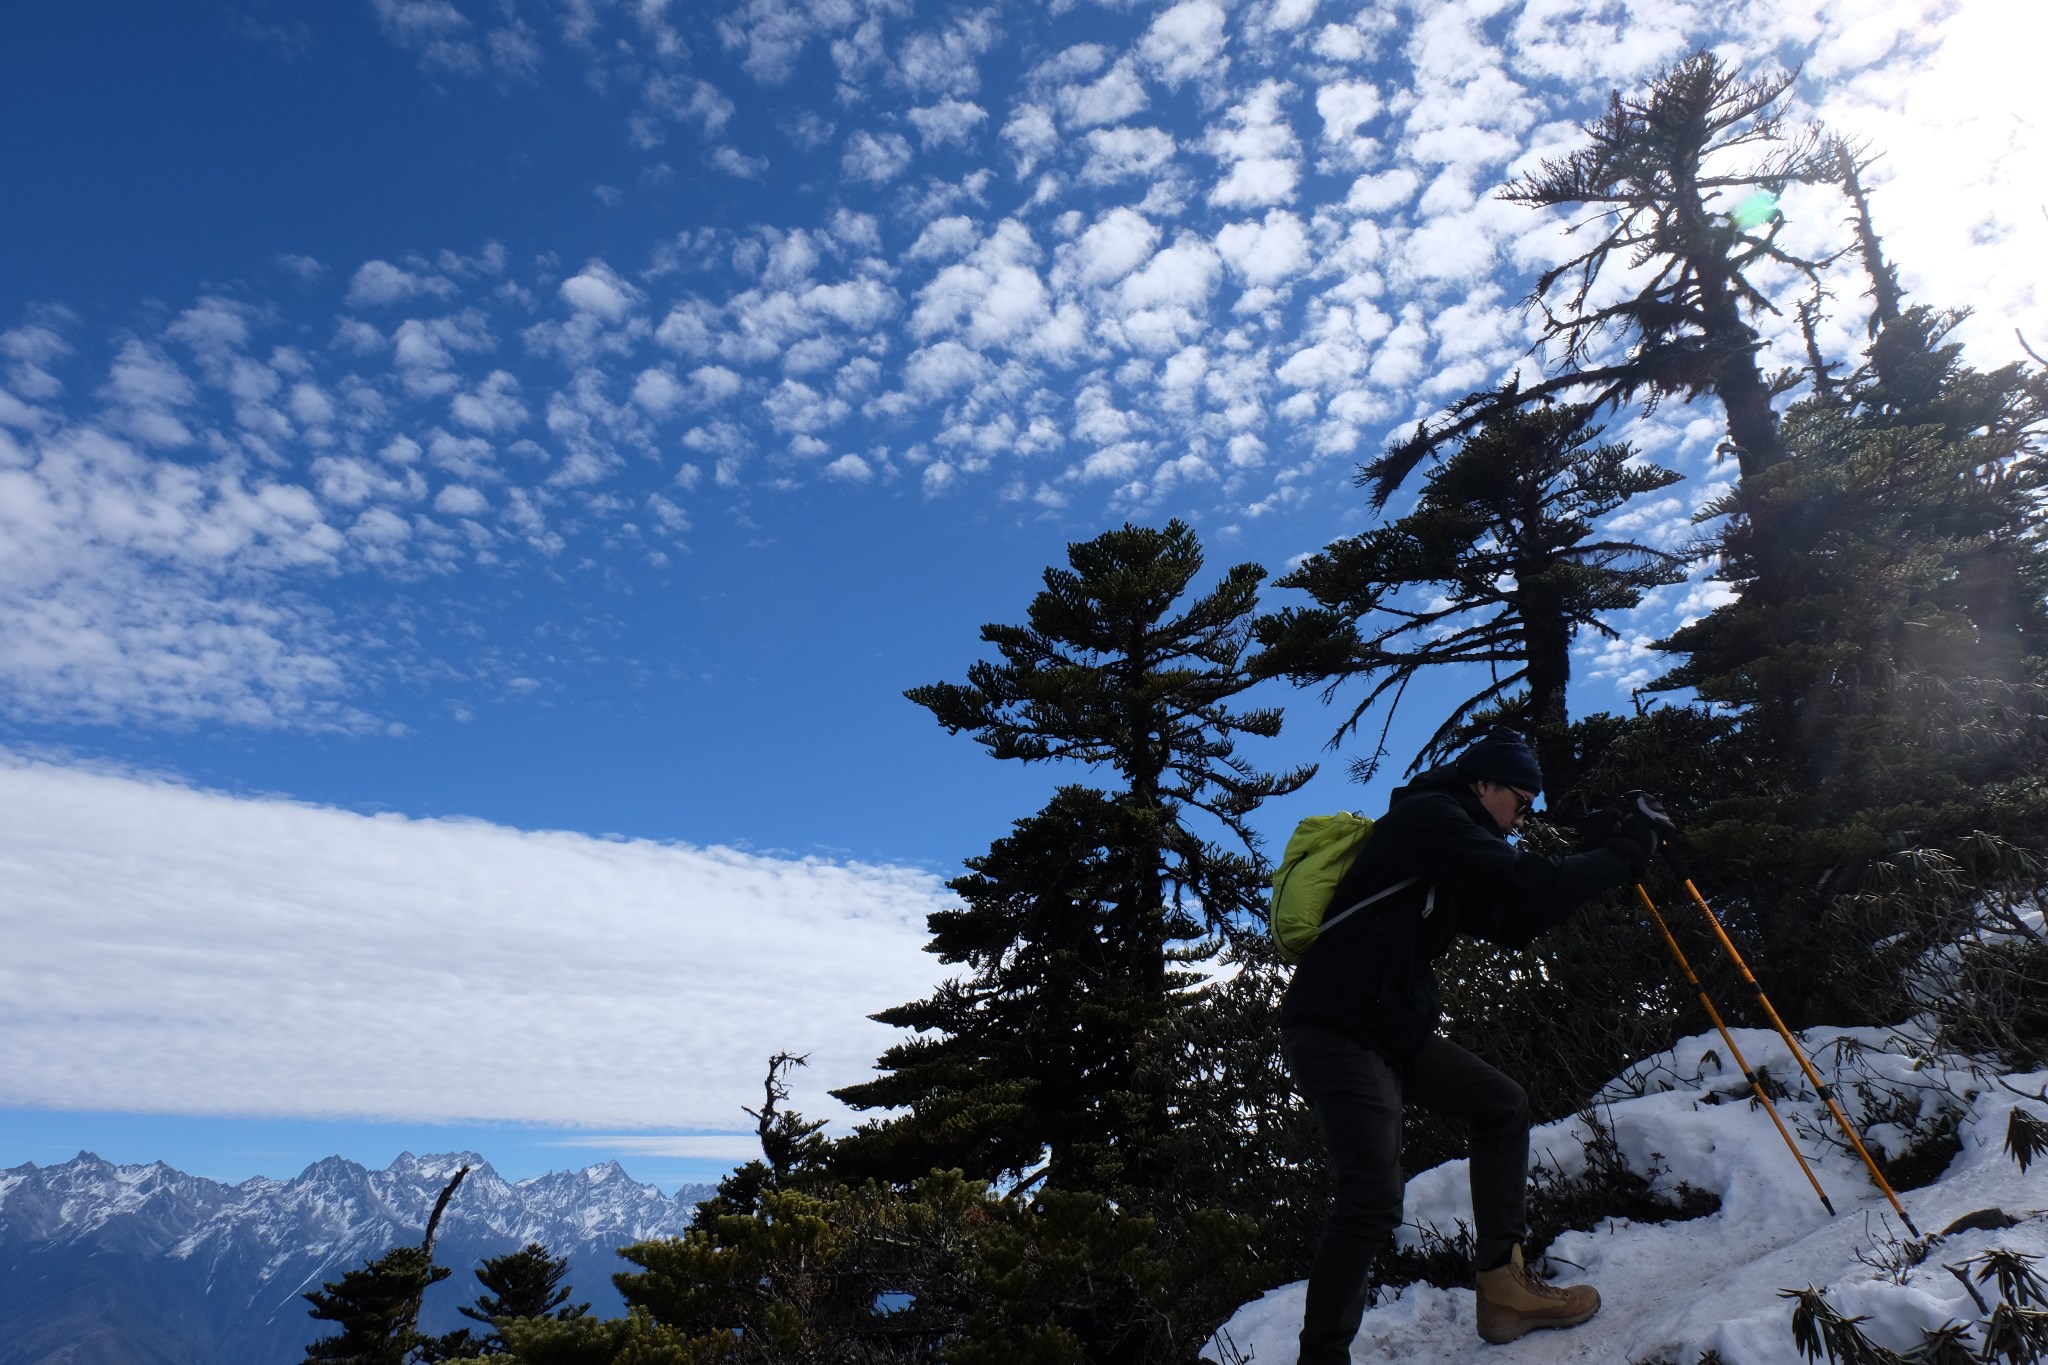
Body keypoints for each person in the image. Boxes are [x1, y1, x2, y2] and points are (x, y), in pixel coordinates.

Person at [1277, 728, 1667, 1359]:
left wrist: (1597, 853)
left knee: (1500, 1104)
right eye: (1520, 800)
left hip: (1388, 1029)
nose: (1522, 817)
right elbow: (1525, 883)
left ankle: (1504, 1291)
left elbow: (1519, 918)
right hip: (1338, 1027)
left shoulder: (1451, 843)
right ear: (1484, 785)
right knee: (1372, 1196)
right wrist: (1622, 852)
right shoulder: (1429, 818)